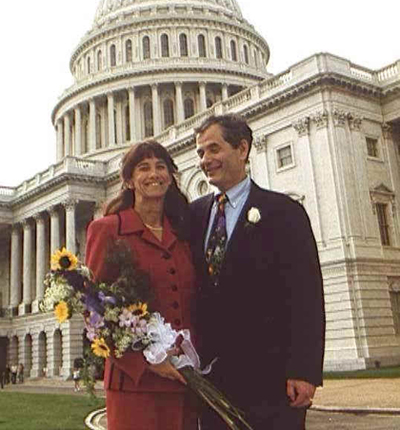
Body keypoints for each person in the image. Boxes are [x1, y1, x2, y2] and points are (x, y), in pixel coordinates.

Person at [191, 114, 325, 430]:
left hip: (272, 379)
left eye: (213, 149)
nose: (205, 160)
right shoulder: (194, 215)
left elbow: (306, 296)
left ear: (242, 149)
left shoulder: (284, 212)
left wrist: (304, 370)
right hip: (211, 381)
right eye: (200, 153)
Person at [85, 140, 198, 430]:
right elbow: (94, 309)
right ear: (128, 180)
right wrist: (145, 361)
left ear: (171, 177)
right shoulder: (108, 230)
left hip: (182, 380)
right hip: (135, 384)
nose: (154, 174)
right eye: (144, 168)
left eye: (161, 167)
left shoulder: (183, 233)